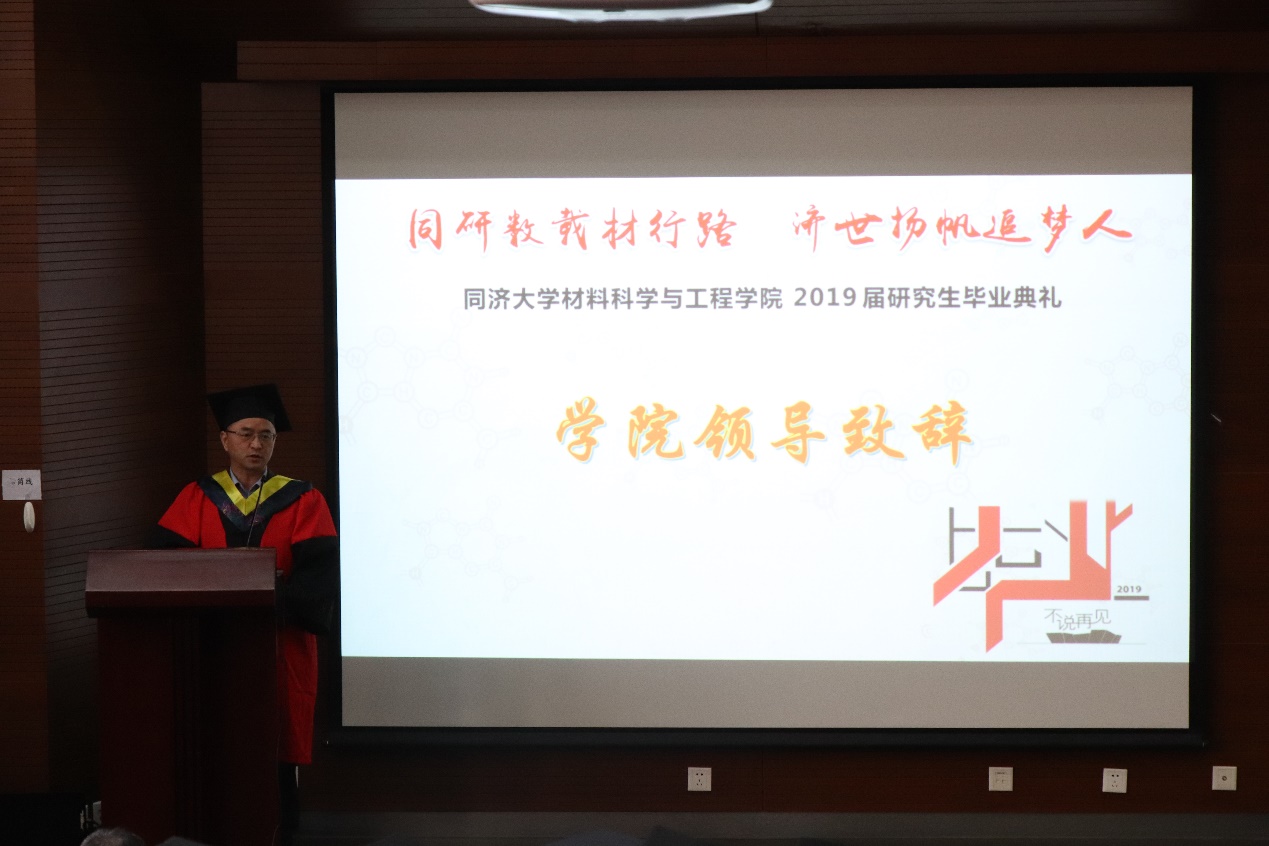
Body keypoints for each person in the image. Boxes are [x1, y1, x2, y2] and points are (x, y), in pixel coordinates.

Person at [149, 384, 338, 846]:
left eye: (266, 435)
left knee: (274, 749)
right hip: (210, 645)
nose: (257, 444)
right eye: (247, 434)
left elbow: (318, 578)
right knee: (211, 742)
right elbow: (165, 567)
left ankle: (278, 832)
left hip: (279, 646)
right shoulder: (196, 497)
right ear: (225, 439)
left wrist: (267, 600)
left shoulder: (303, 499)